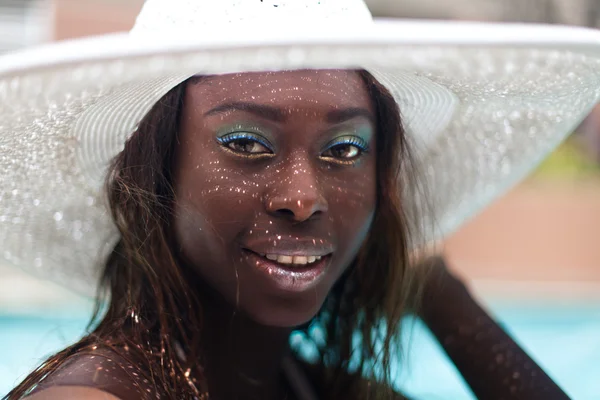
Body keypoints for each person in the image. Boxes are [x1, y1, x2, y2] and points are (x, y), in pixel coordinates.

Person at [1, 0, 597, 398]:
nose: (302, 197)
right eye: (245, 143)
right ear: (156, 170)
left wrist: (436, 290)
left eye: (343, 150)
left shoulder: (326, 388)